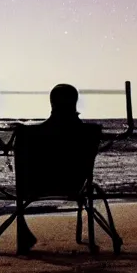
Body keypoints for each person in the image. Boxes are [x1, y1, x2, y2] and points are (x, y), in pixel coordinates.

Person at [16, 83, 84, 253]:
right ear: (75, 102)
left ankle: (22, 227)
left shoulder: (31, 133)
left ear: (51, 103)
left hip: (34, 186)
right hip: (74, 185)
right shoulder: (88, 133)